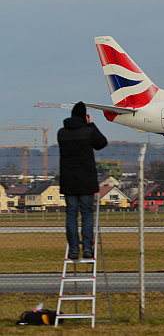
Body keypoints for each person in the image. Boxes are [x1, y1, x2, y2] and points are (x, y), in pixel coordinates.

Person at [58, 102, 108, 259]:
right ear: (84, 116)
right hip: (86, 180)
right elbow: (101, 143)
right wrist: (91, 124)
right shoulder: (88, 132)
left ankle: (73, 249)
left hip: (68, 180)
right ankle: (87, 248)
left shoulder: (62, 133)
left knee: (71, 214)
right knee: (87, 214)